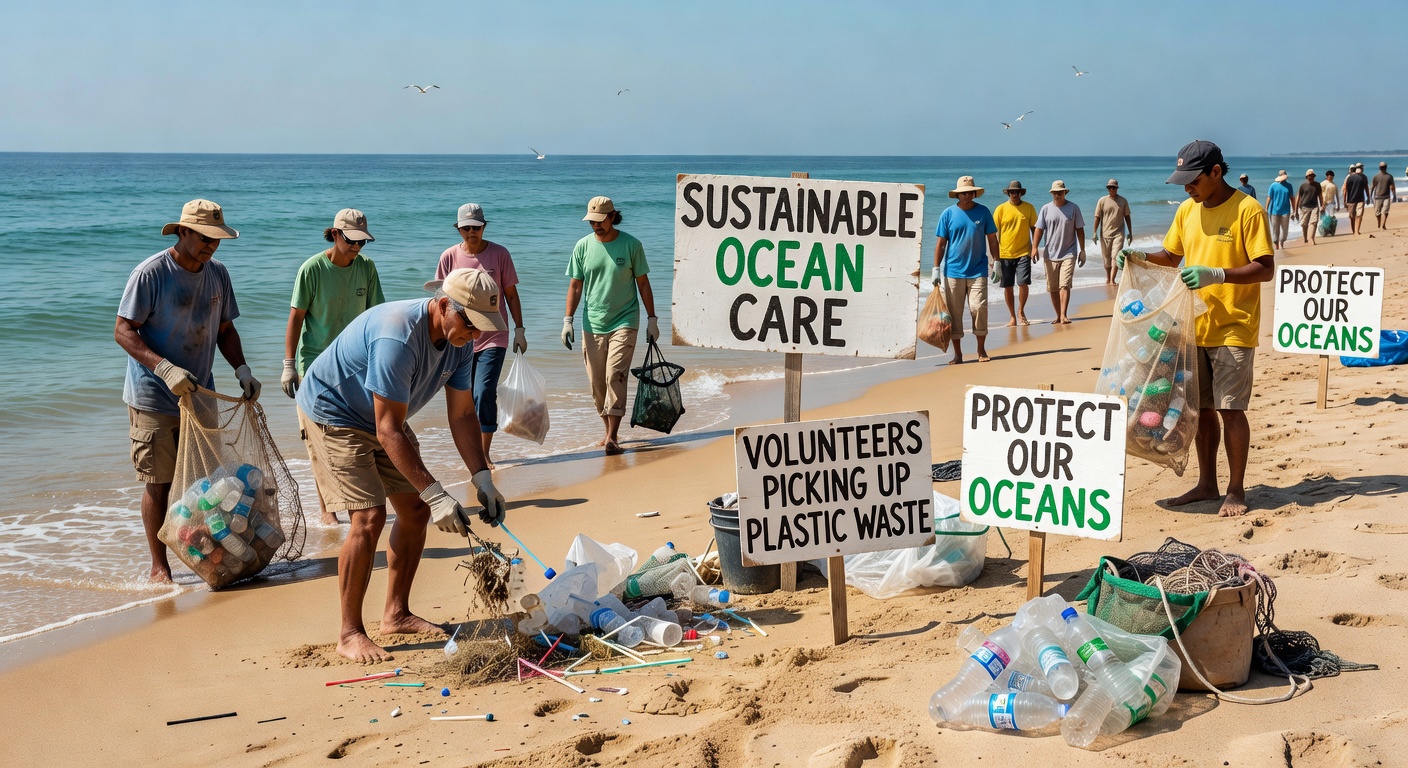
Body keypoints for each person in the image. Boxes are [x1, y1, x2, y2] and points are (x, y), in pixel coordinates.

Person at [295, 268, 508, 663]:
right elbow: (388, 429)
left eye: (483, 328)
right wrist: (437, 492)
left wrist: (483, 478)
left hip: (381, 416)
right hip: (333, 412)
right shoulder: (398, 335)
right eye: (470, 323)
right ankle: (349, 633)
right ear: (444, 305)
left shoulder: (458, 341)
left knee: (415, 511)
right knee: (369, 518)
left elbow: (462, 415)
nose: (475, 335)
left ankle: (396, 614)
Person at [1119, 140, 1274, 518]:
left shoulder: (1247, 210)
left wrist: (1217, 274)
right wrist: (1141, 255)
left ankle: (1235, 490)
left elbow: (1266, 267)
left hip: (1233, 326)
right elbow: (1171, 256)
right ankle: (1208, 484)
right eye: (1182, 181)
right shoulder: (1187, 210)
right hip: (1193, 326)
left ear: (1216, 173)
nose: (1187, 188)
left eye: (1193, 180)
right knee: (1201, 410)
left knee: (1230, 409)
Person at [114, 199, 260, 582]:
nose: (211, 244)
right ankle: (159, 566)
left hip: (200, 394)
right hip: (153, 396)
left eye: (217, 237)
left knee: (206, 487)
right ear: (182, 232)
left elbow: (225, 330)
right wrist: (163, 368)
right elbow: (123, 330)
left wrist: (242, 369)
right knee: (159, 483)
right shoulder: (151, 273)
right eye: (204, 236)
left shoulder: (218, 275)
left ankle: (206, 555)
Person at [282, 209, 386, 525]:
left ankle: (360, 497)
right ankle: (328, 509)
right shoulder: (311, 269)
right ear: (336, 234)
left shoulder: (367, 268)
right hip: (314, 365)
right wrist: (289, 364)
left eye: (362, 242)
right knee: (318, 436)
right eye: (352, 240)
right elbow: (296, 318)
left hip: (354, 364)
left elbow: (376, 314)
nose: (357, 248)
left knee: (359, 432)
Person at [562, 196, 658, 455]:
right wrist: (567, 320)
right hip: (592, 323)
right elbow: (575, 285)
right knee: (597, 384)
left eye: (600, 220)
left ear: (612, 216)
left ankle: (613, 437)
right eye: (591, 221)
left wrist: (652, 319)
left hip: (625, 320)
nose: (595, 226)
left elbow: (643, 284)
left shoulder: (631, 245)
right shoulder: (582, 247)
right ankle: (607, 432)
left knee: (615, 374)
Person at [435, 203, 527, 469]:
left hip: (493, 336)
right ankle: (472, 450)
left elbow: (510, 294)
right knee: (464, 398)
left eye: (476, 228)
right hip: (460, 338)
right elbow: (439, 300)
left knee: (484, 391)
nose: (471, 233)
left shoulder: (500, 254)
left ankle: (484, 454)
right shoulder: (449, 257)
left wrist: (519, 329)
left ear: (484, 227)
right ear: (458, 229)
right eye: (466, 228)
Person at [931, 176, 999, 362]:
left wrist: (997, 262)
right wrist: (936, 268)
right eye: (963, 193)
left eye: (970, 192)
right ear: (957, 195)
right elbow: (941, 243)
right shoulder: (948, 214)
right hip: (953, 272)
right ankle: (958, 354)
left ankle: (981, 350)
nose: (967, 196)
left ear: (975, 193)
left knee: (979, 308)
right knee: (954, 314)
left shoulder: (983, 212)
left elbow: (992, 239)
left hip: (978, 271)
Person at [1031, 180, 1086, 324]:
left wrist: (1083, 250)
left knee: (1064, 285)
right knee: (1053, 288)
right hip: (1050, 254)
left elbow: (1080, 229)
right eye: (1055, 193)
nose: (1057, 195)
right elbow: (1039, 229)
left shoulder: (1074, 208)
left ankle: (1063, 315)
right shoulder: (1045, 209)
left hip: (1069, 253)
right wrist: (1034, 247)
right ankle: (1057, 314)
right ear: (1052, 193)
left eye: (1060, 193)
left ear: (1065, 192)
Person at [991, 180, 1037, 326]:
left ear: (1020, 193)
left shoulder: (1029, 208)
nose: (1014, 195)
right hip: (1004, 254)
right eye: (1012, 192)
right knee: (1008, 287)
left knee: (1023, 283)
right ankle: (1012, 316)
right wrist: (994, 258)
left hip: (1024, 252)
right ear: (1008, 193)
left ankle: (1021, 310)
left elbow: (1035, 229)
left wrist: (1035, 247)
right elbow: (992, 234)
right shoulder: (1000, 209)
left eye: (1016, 192)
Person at [1093, 179, 1133, 285]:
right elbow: (1097, 217)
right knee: (1106, 259)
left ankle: (1112, 280)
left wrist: (1130, 233)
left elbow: (1127, 217)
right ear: (1107, 189)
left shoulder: (1123, 201)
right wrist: (1094, 232)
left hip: (1119, 233)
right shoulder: (1102, 201)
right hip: (1105, 234)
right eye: (1110, 187)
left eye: (1114, 187)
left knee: (1115, 256)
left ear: (1117, 188)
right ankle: (1108, 278)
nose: (1112, 189)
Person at [1264, 170, 1294, 250]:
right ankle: (1276, 245)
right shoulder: (1273, 186)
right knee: (1275, 230)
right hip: (1274, 211)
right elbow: (1269, 198)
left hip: (1286, 211)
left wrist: (1294, 210)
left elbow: (1292, 198)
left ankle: (1282, 241)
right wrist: (1266, 209)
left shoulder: (1289, 186)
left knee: (1285, 231)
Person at [1293, 170, 1320, 246]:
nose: (1311, 177)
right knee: (1304, 225)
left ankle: (1312, 238)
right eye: (1309, 176)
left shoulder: (1317, 185)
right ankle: (1305, 238)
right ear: (1307, 177)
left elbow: (1320, 196)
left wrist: (1322, 205)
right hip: (1304, 207)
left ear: (1314, 176)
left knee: (1314, 222)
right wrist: (1296, 211)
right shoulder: (1303, 186)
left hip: (1314, 206)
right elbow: (1298, 197)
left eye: (1312, 176)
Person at [1342, 162, 1370, 235]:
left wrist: (1344, 200)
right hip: (1354, 199)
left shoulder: (1352, 177)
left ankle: (1356, 231)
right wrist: (1368, 197)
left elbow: (1345, 190)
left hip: (1356, 199)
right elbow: (1345, 189)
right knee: (1354, 216)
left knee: (1356, 215)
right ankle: (1355, 231)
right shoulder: (1351, 177)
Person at [1371, 161, 1397, 229]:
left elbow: (1392, 186)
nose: (1383, 168)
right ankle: (1379, 223)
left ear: (1386, 167)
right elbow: (1373, 186)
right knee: (1377, 213)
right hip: (1377, 197)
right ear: (1379, 168)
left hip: (1386, 197)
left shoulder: (1389, 176)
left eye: (1384, 167)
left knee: (1385, 211)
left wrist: (1394, 195)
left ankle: (1383, 225)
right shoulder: (1376, 177)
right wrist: (1370, 196)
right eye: (1382, 167)